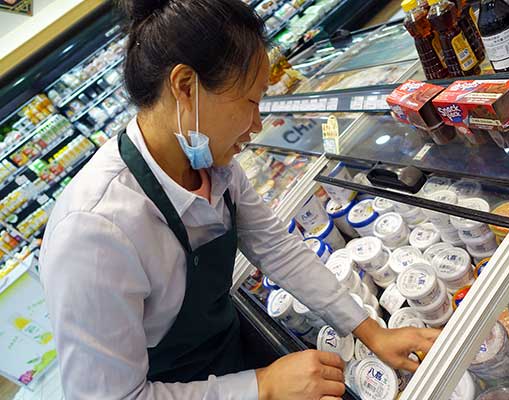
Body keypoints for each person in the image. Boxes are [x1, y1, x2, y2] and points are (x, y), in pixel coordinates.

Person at [39, 0, 439, 399]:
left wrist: (369, 331)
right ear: (185, 87)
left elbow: (274, 246)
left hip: (230, 354)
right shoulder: (94, 232)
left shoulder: (210, 161)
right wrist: (261, 386)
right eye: (250, 101)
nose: (258, 124)